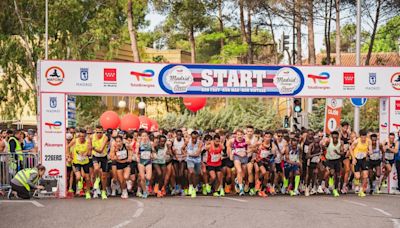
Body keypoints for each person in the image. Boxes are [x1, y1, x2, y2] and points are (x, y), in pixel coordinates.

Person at [67, 130, 92, 199]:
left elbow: (90, 153)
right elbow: (68, 147)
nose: (81, 138)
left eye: (83, 136)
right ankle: (79, 184)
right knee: (78, 177)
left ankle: (87, 192)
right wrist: (68, 156)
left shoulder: (88, 141)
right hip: (76, 162)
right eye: (80, 136)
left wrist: (86, 153)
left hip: (85, 162)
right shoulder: (75, 140)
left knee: (87, 178)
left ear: (85, 136)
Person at [253, 131, 275, 197]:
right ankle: (258, 181)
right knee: (264, 172)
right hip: (260, 160)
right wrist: (256, 150)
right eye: (266, 137)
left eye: (269, 137)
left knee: (266, 177)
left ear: (271, 138)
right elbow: (253, 148)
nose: (267, 138)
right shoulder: (260, 143)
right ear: (263, 137)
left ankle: (262, 190)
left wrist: (272, 151)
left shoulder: (272, 144)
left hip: (267, 161)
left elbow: (273, 152)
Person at [350, 130, 372, 197]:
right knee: (357, 176)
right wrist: (353, 158)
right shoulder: (356, 141)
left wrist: (370, 151)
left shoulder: (368, 141)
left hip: (363, 159)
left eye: (364, 137)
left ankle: (361, 190)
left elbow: (370, 149)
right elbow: (350, 149)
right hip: (356, 159)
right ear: (360, 137)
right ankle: (356, 182)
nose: (363, 139)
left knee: (365, 175)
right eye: (362, 138)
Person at [227, 129, 248, 196]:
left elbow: (250, 147)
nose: (239, 136)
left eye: (241, 134)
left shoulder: (246, 140)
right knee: (239, 171)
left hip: (244, 157)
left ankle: (237, 180)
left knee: (243, 174)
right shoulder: (232, 140)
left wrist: (248, 151)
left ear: (243, 135)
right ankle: (241, 189)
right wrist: (230, 153)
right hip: (237, 157)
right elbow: (228, 146)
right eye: (238, 134)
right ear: (236, 135)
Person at [91, 126, 109, 199]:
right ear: (95, 132)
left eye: (100, 132)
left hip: (103, 156)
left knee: (104, 176)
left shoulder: (105, 137)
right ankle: (96, 185)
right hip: (95, 156)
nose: (99, 134)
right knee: (96, 168)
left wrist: (93, 148)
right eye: (97, 132)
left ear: (103, 132)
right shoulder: (91, 137)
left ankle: (103, 191)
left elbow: (101, 150)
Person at [323, 131, 344, 197]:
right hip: (329, 160)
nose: (335, 139)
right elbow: (323, 147)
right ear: (332, 137)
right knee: (331, 172)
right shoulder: (329, 142)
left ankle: (335, 189)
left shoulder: (340, 142)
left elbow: (342, 153)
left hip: (337, 160)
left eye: (336, 137)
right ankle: (328, 185)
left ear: (338, 137)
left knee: (337, 175)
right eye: (334, 137)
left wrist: (337, 153)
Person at [184, 131, 203, 198]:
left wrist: (191, 154)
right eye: (193, 138)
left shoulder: (200, 143)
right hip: (189, 159)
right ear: (191, 137)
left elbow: (197, 153)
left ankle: (195, 187)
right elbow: (182, 148)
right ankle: (191, 186)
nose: (194, 139)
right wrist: (185, 153)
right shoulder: (187, 142)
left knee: (197, 174)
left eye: (195, 138)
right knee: (191, 172)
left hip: (197, 160)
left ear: (197, 137)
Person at [136, 131, 154, 198]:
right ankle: (144, 191)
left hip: (148, 161)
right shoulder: (139, 143)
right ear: (141, 137)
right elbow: (136, 152)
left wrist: (153, 155)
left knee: (148, 177)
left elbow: (153, 150)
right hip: (141, 161)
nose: (144, 137)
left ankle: (145, 184)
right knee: (142, 178)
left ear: (147, 136)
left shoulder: (151, 143)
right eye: (143, 136)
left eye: (145, 136)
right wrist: (137, 157)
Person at [172, 129, 186, 195]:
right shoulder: (173, 141)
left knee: (181, 174)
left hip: (182, 159)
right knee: (176, 174)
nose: (179, 136)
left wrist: (184, 155)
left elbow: (186, 149)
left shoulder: (184, 140)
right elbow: (172, 149)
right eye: (178, 134)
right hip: (175, 159)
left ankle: (182, 188)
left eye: (180, 134)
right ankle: (177, 187)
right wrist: (175, 156)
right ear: (176, 135)